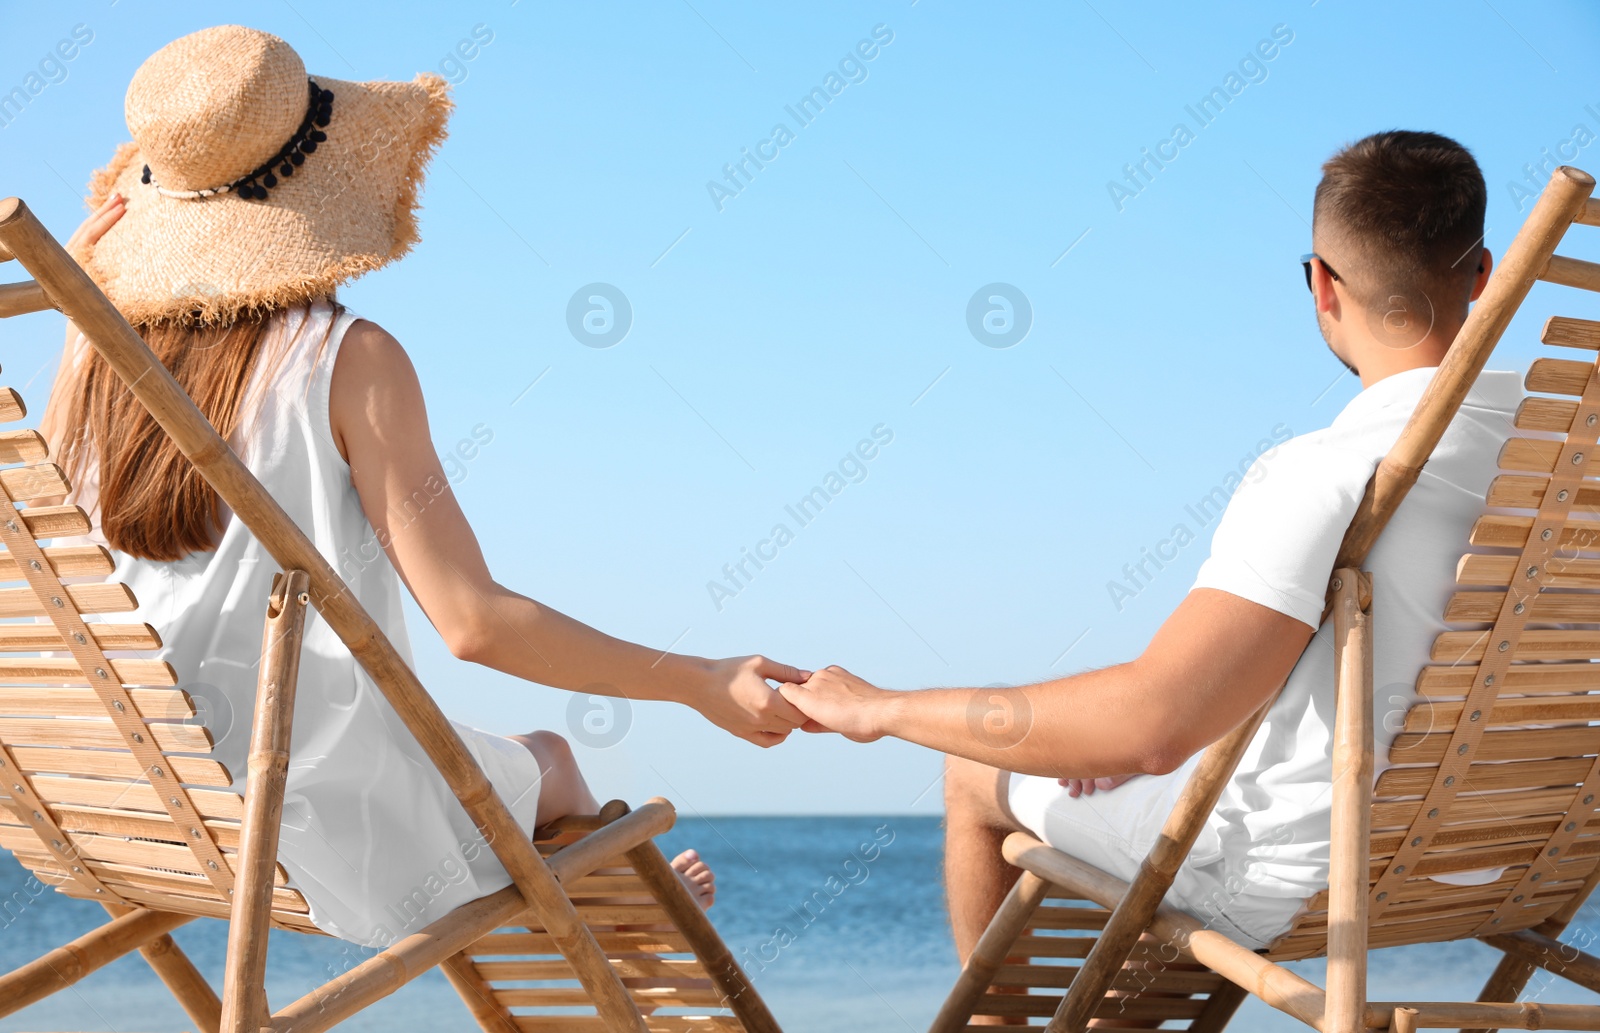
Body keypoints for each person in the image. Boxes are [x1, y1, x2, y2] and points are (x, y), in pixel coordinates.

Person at [43, 25, 809, 949]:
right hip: (300, 819)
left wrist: (84, 296)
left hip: (124, 800)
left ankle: (609, 904)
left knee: (517, 784)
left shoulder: (89, 362)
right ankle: (622, 921)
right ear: (315, 189)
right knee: (555, 764)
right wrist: (701, 681)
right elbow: (471, 623)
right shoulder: (346, 360)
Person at [779, 131, 1518, 964]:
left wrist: (880, 708)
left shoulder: (1327, 471)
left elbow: (1152, 725)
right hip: (1499, 862)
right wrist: (1137, 746)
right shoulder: (1566, 454)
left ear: (1321, 285)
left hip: (1307, 875)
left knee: (970, 777)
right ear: (1482, 277)